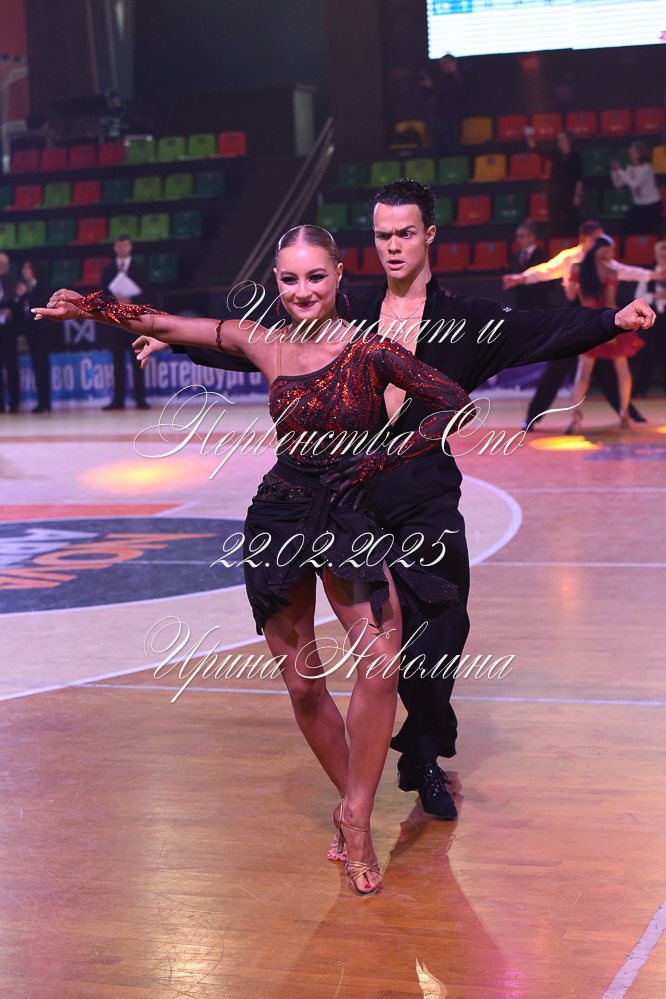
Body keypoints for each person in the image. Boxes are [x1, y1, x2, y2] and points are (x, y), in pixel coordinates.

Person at [120, 181, 655, 828]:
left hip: (425, 495)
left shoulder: (467, 319)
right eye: (383, 235)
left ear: (429, 235)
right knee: (381, 648)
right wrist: (175, 341)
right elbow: (274, 350)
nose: (394, 245)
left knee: (442, 630)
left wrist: (611, 320)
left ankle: (421, 752)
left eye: (405, 233)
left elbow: (541, 328)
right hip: (353, 499)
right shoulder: (350, 312)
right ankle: (384, 783)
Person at [34, 224, 475, 897]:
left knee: (381, 664)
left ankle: (356, 817)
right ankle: (348, 803)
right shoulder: (261, 340)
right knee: (303, 684)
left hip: (348, 511)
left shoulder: (371, 349)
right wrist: (90, 307)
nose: (304, 290)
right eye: (290, 279)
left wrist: (382, 458)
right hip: (280, 515)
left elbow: (454, 403)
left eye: (316, 276)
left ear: (339, 274)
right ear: (277, 282)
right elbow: (168, 322)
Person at [504, 219, 661, 430]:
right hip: (575, 318)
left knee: (603, 370)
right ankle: (533, 417)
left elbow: (626, 272)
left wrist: (653, 275)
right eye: (597, 238)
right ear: (585, 239)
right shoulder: (571, 259)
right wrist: (522, 278)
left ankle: (626, 413)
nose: (601, 242)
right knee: (559, 367)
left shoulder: (606, 262)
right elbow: (546, 270)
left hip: (599, 318)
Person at [565, 235, 648, 432]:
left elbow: (571, 296)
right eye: (610, 249)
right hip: (606, 319)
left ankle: (575, 417)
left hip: (587, 322)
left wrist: (569, 283)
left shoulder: (576, 268)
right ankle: (624, 414)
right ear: (601, 250)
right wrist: (612, 331)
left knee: (583, 373)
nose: (612, 253)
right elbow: (610, 302)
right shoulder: (610, 272)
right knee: (621, 369)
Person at [100, 236, 152, 410]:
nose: (122, 248)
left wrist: (131, 299)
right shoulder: (108, 270)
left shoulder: (139, 268)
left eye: (125, 245)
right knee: (117, 361)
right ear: (115, 248)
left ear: (130, 247)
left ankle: (140, 398)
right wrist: (114, 300)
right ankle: (118, 399)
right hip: (115, 321)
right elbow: (102, 294)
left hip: (134, 320)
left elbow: (148, 292)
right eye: (119, 245)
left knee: (138, 358)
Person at [525, 128, 583, 236]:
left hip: (569, 192)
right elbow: (538, 150)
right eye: (558, 139)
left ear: (568, 140)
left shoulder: (576, 157)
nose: (559, 141)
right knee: (554, 220)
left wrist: (577, 195)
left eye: (561, 139)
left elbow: (579, 179)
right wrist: (530, 138)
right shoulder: (556, 154)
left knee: (571, 220)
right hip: (555, 192)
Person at [15, 261, 52, 413]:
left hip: (41, 332)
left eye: (27, 268)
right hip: (30, 331)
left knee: (42, 365)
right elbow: (22, 309)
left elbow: (40, 306)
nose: (24, 271)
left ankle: (45, 402)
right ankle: (41, 401)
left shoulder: (42, 286)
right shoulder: (27, 288)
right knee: (36, 366)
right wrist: (20, 298)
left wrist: (26, 294)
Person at [633, 240, 666, 396]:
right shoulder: (648, 273)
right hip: (652, 319)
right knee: (646, 354)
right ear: (656, 256)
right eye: (662, 257)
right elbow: (638, 297)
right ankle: (640, 389)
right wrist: (655, 296)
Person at [611, 143, 662, 236]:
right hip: (638, 204)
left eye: (634, 151)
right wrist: (615, 171)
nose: (631, 153)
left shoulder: (646, 167)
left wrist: (620, 171)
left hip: (651, 204)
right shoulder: (630, 168)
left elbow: (635, 184)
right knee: (627, 227)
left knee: (645, 230)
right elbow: (618, 184)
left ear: (641, 153)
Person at [506, 221, 558, 311]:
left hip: (538, 305)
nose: (519, 239)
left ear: (532, 237)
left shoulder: (543, 257)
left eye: (523, 236)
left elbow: (550, 283)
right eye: (518, 236)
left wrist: (524, 281)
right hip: (520, 306)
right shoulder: (515, 257)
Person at [421, 54, 463, 156]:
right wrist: (429, 88)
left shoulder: (455, 79)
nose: (442, 66)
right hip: (436, 116)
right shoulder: (441, 79)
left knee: (450, 144)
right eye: (441, 64)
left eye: (445, 63)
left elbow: (448, 94)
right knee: (438, 146)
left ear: (452, 63)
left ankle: (456, 163)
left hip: (447, 116)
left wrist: (432, 86)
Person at [0, 252, 20, 414]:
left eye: (5, 265)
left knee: (12, 366)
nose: (3, 268)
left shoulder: (13, 280)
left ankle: (14, 402)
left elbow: (18, 303)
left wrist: (11, 311)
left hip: (9, 329)